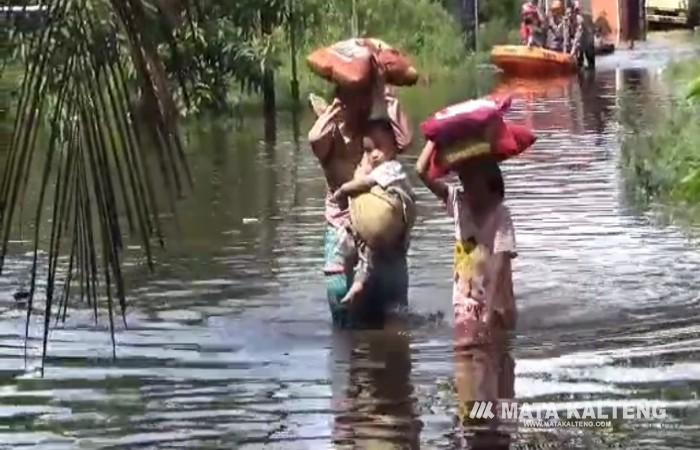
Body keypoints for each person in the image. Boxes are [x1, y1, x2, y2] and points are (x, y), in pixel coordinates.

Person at [308, 84, 412, 328]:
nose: (358, 105)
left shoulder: (376, 135)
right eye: (349, 98)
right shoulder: (330, 137)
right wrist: (334, 111)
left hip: (384, 237)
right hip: (344, 236)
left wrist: (388, 98)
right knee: (346, 328)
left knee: (394, 323)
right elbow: (314, 138)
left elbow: (404, 141)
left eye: (362, 97)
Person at [331, 120, 415, 310]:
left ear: (394, 148)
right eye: (368, 150)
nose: (374, 154)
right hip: (385, 248)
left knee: (396, 304)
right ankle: (356, 282)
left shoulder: (392, 168)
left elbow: (365, 182)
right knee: (355, 241)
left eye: (379, 147)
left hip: (394, 247)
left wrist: (343, 191)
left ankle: (359, 284)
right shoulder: (377, 170)